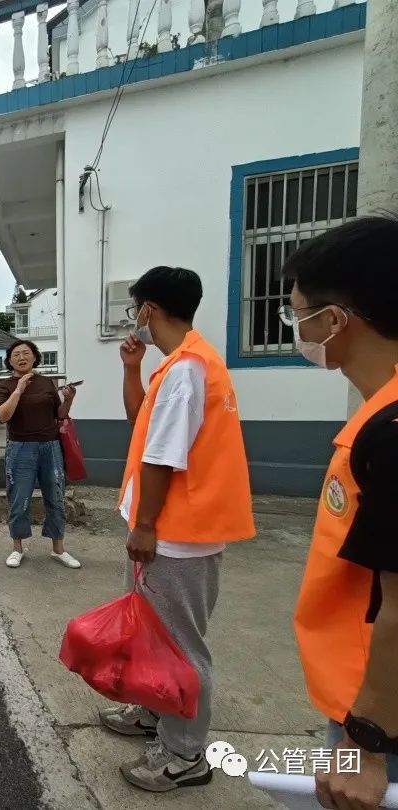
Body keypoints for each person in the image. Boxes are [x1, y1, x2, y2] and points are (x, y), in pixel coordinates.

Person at [100, 265, 255, 793]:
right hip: (170, 532)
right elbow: (140, 421)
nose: (135, 319)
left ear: (147, 310)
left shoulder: (188, 369)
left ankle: (185, 753)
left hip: (175, 536)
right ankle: (154, 712)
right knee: (155, 637)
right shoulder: (182, 365)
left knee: (180, 646)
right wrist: (132, 368)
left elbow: (162, 457)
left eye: (135, 309)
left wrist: (144, 526)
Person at [282, 215, 398, 808]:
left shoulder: (390, 432)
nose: (297, 330)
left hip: (380, 715)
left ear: (335, 320)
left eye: (297, 314)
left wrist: (366, 740)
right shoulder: (379, 414)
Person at [0, 339, 81, 570]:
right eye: (16, 355)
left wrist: (68, 400)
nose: (21, 358)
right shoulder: (5, 385)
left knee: (56, 496)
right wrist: (19, 389)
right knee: (19, 498)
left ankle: (58, 549)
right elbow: (2, 416)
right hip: (20, 448)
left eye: (26, 353)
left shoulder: (46, 383)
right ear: (9, 361)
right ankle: (17, 548)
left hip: (50, 447)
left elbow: (59, 414)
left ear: (34, 357)